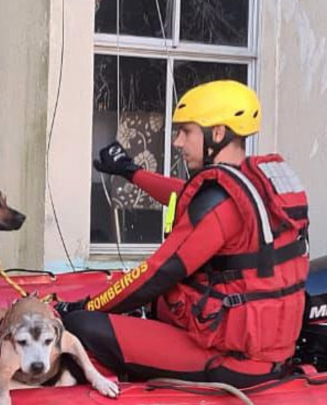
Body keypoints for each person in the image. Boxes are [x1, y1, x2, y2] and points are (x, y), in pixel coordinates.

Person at [61, 80, 309, 388]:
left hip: (230, 361)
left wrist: (83, 306)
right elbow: (185, 195)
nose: (178, 142)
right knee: (154, 306)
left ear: (217, 133)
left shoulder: (220, 202)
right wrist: (130, 171)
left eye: (186, 131)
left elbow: (157, 273)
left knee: (80, 325)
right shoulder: (258, 188)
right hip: (267, 352)